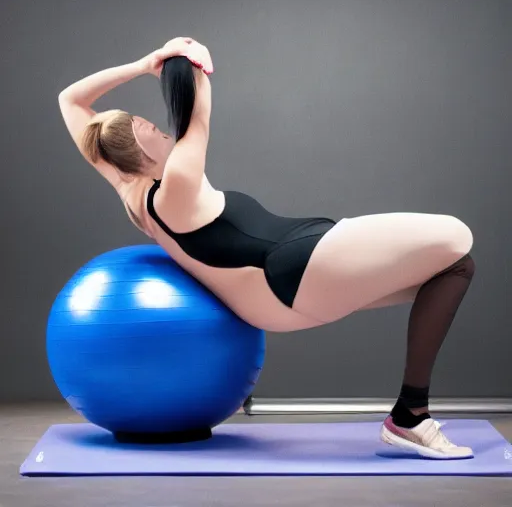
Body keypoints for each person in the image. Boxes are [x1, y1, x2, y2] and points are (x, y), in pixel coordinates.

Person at [58, 37, 476, 460]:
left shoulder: (127, 183)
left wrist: (144, 63)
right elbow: (195, 112)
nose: (155, 126)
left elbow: (71, 100)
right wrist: (187, 59)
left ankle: (410, 415)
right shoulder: (174, 189)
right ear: (138, 154)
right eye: (146, 129)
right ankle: (409, 420)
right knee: (455, 234)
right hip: (295, 272)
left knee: (455, 268)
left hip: (296, 274)